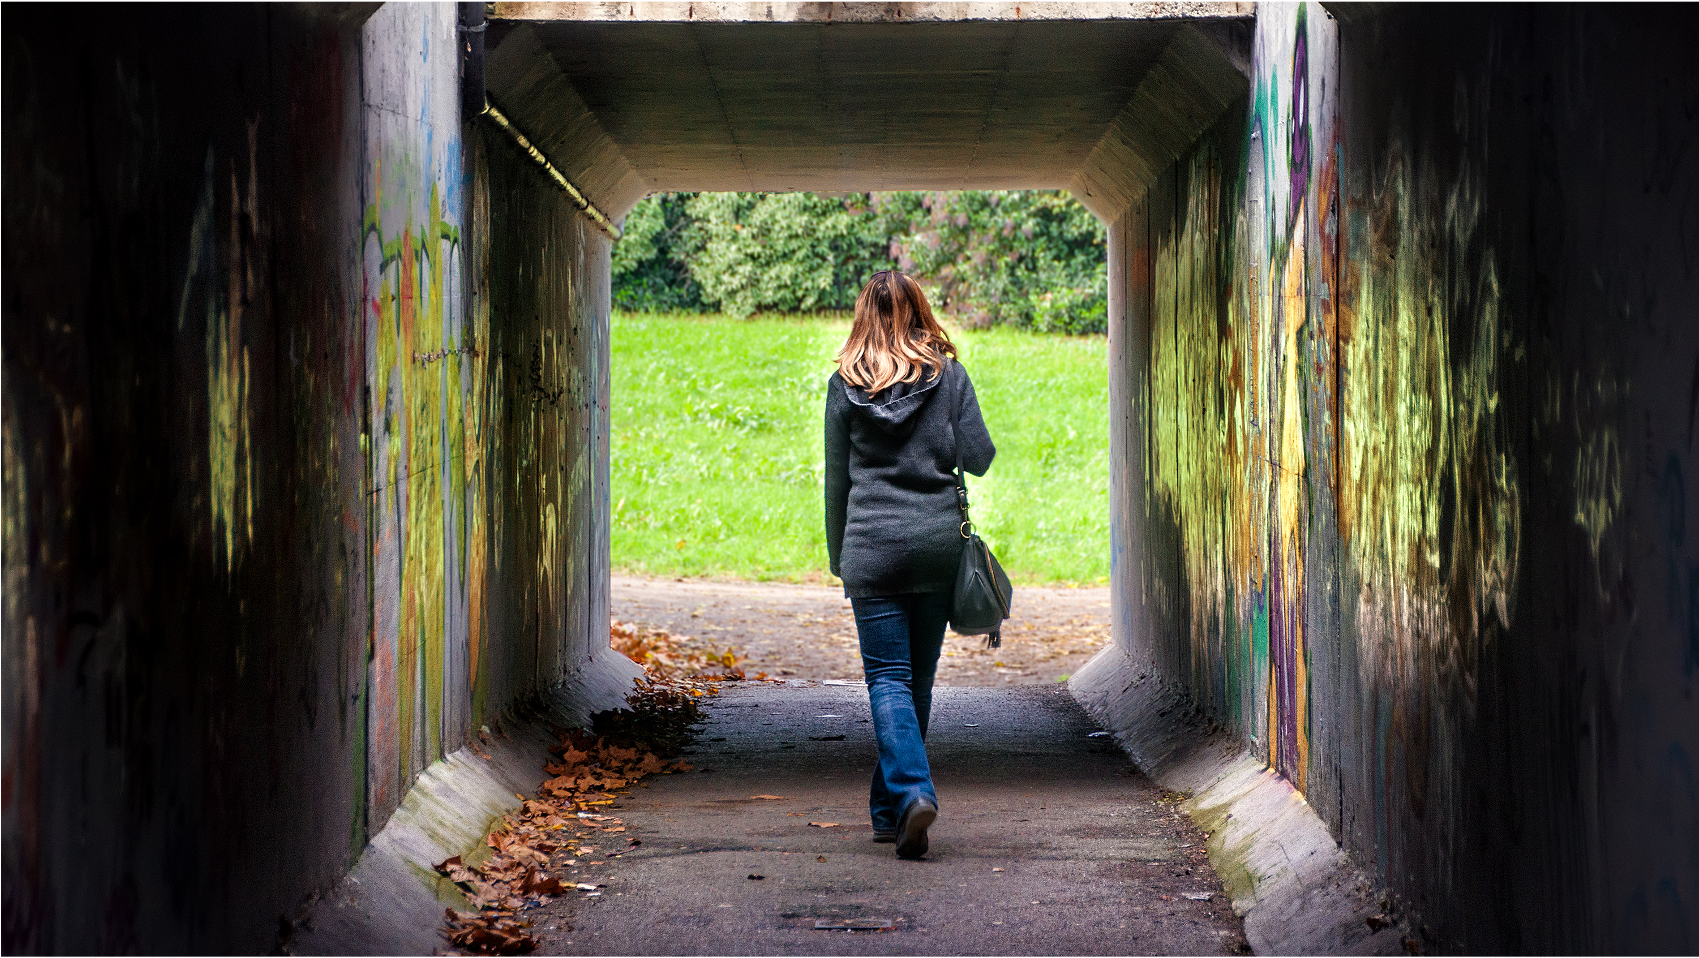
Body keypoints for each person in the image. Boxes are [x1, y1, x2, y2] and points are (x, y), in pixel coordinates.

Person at [823, 269, 996, 860]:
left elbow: (836, 483)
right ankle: (893, 807)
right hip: (935, 546)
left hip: (870, 545)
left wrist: (840, 557)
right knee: (914, 681)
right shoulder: (949, 379)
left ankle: (909, 794)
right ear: (920, 311)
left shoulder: (843, 387)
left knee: (887, 680)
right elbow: (979, 459)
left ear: (862, 318)